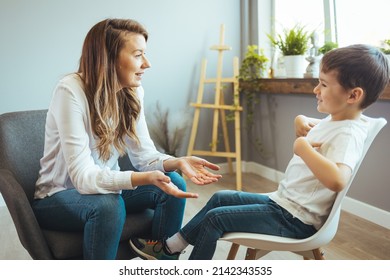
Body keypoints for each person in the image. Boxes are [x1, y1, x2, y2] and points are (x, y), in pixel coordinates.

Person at [129, 44, 390, 260]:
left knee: (216, 219)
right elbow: (317, 127)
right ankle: (170, 249)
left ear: (353, 95)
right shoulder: (337, 119)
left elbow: (338, 180)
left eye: (323, 84)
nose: (315, 90)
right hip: (283, 203)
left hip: (295, 219)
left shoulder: (349, 133)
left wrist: (302, 149)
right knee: (220, 198)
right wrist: (299, 118)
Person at [32, 18, 222, 260]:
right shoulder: (70, 91)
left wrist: (177, 161)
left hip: (103, 189)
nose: (147, 63)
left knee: (173, 182)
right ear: (108, 58)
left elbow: (144, 156)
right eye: (138, 54)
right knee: (109, 205)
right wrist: (142, 178)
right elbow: (83, 178)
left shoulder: (131, 91)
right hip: (58, 196)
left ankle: (163, 262)